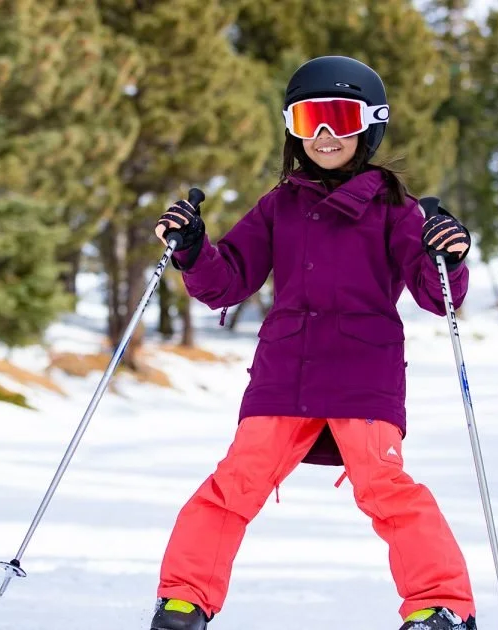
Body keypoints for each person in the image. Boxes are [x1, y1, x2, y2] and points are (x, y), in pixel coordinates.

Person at [148, 56, 477, 630]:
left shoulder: (395, 210)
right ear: (292, 128)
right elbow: (228, 281)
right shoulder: (280, 205)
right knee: (235, 482)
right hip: (285, 373)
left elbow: (434, 295)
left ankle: (439, 605)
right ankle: (185, 599)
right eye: (309, 121)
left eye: (338, 118)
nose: (324, 135)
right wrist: (194, 248)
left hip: (362, 374)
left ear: (369, 125)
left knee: (386, 487)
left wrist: (444, 255)